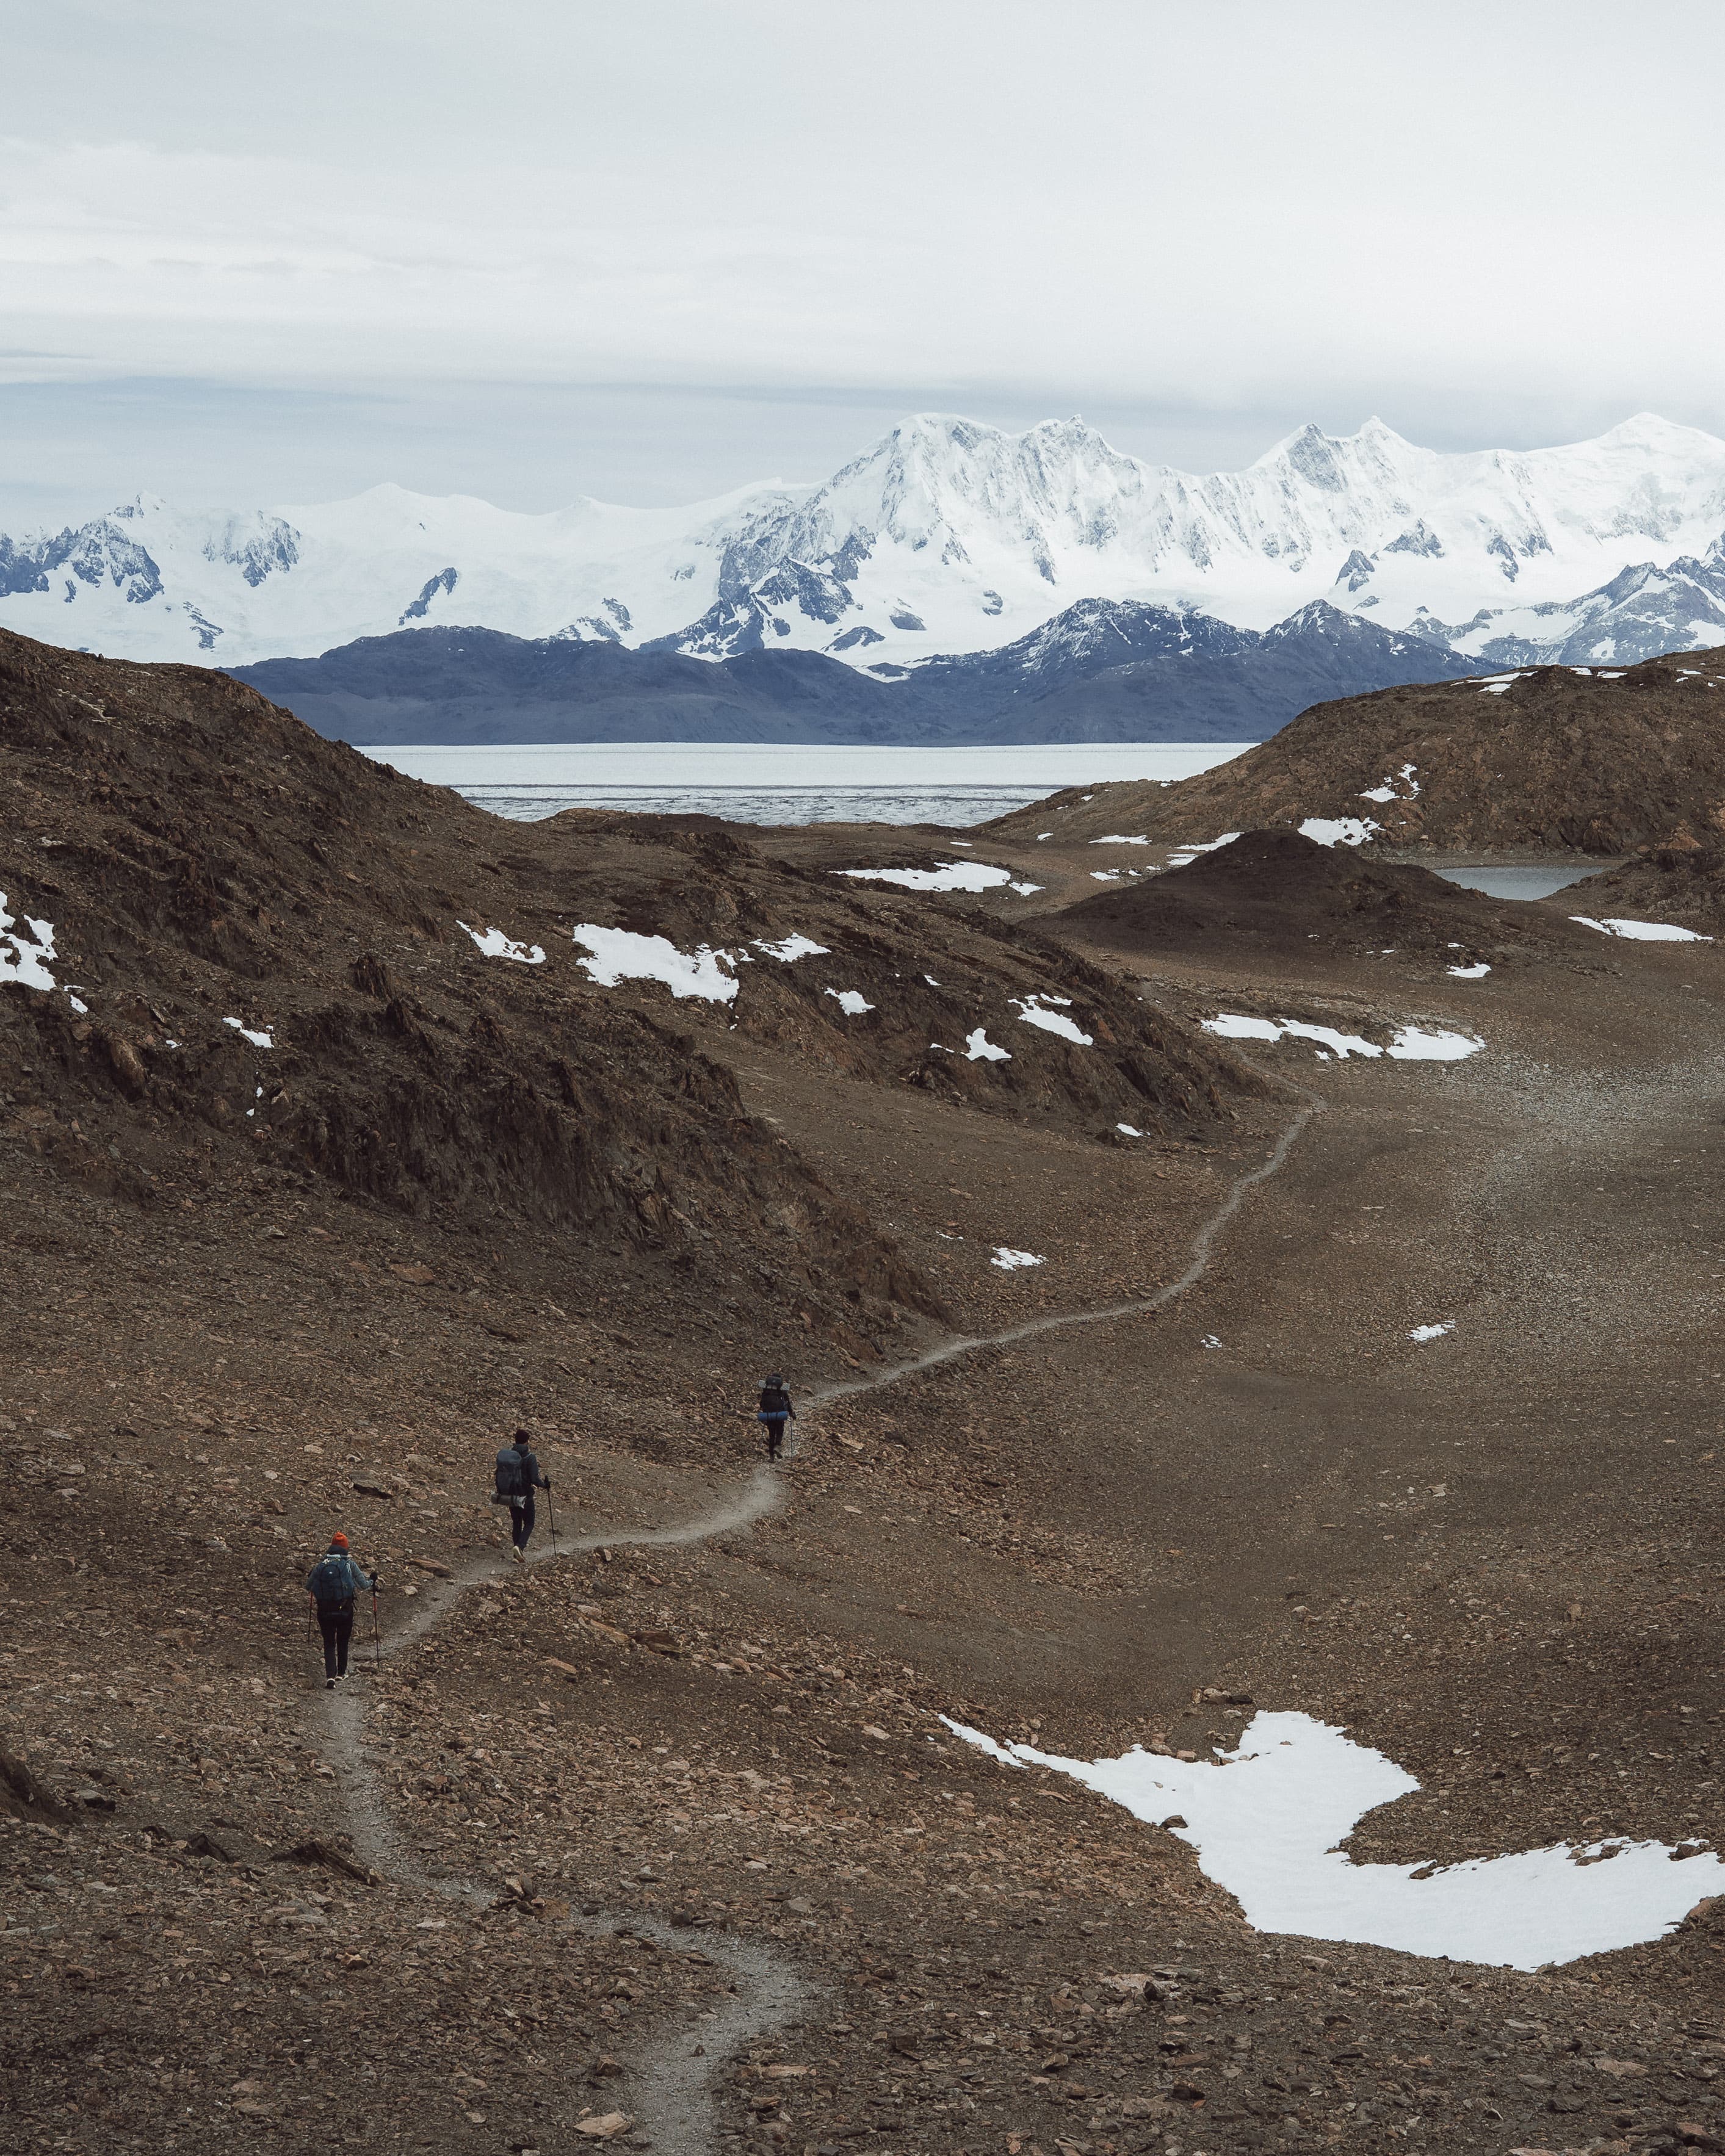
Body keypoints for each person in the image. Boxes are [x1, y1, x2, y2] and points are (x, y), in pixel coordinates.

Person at [305, 1533, 377, 1689]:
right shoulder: (349, 1564)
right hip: (345, 1609)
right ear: (346, 1547)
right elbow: (363, 1585)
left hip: (324, 1610)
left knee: (329, 1642)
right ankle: (341, 1673)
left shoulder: (321, 1565)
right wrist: (373, 1581)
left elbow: (308, 1587)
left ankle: (330, 1675)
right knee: (343, 1640)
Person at [494, 1427, 551, 1562]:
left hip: (511, 1495)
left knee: (517, 1523)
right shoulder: (530, 1457)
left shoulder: (510, 1457)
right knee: (530, 1523)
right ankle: (520, 1547)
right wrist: (545, 1485)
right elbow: (534, 1479)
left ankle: (516, 1555)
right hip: (525, 1496)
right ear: (526, 1442)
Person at [756, 1374, 795, 1462]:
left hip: (769, 1415)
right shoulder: (782, 1390)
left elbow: (762, 1403)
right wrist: (792, 1413)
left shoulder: (766, 1390)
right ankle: (777, 1446)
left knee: (772, 1434)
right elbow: (787, 1402)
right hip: (780, 1415)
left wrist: (765, 1411)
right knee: (780, 1431)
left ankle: (771, 1457)